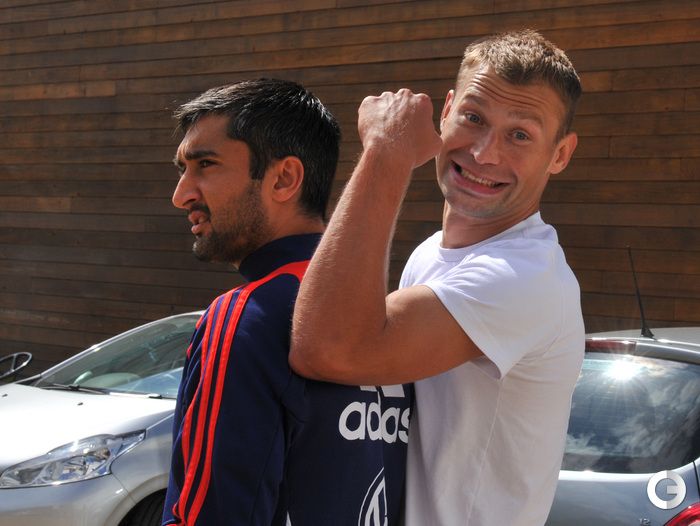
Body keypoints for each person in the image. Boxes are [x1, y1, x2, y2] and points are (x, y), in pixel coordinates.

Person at [290, 30, 585, 525]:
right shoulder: (432, 254)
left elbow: (330, 348)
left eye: (520, 135)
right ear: (446, 112)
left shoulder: (525, 278)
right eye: (474, 118)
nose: (485, 153)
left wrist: (386, 152)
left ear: (559, 154)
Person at [163, 78, 411, 526]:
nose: (182, 194)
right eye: (183, 169)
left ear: (284, 179)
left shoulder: (246, 316)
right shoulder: (384, 317)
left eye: (205, 164)